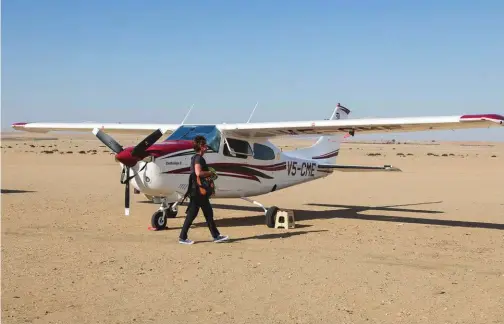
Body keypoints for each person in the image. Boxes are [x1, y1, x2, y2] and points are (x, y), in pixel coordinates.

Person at [178, 135, 229, 245]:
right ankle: (215, 236)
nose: (206, 147)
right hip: (198, 192)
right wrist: (211, 173)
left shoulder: (195, 158)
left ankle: (184, 237)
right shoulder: (198, 158)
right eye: (205, 145)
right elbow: (198, 173)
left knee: (198, 214)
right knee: (205, 214)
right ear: (201, 146)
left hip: (196, 191)